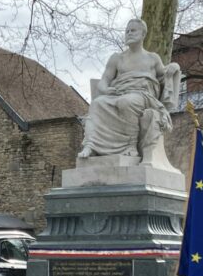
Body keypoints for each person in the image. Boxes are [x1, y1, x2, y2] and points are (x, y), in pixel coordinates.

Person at [77, 18, 181, 168]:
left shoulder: (152, 58)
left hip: (143, 96)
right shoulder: (117, 58)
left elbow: (165, 74)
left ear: (143, 34)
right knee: (97, 104)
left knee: (127, 102)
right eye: (127, 31)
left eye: (133, 31)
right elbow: (104, 80)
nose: (129, 33)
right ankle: (91, 145)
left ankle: (130, 146)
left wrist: (175, 66)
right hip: (118, 93)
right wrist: (105, 89)